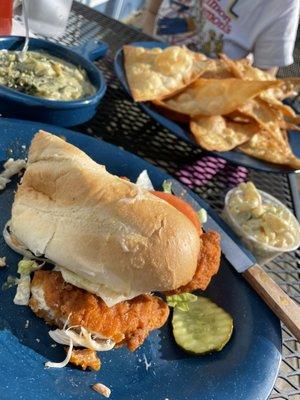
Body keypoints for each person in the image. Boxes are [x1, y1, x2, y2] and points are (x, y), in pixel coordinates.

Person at [143, 0, 300, 75]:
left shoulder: (283, 4)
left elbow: (263, 77)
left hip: (200, 95)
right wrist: (144, 38)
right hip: (148, 55)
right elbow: (152, 9)